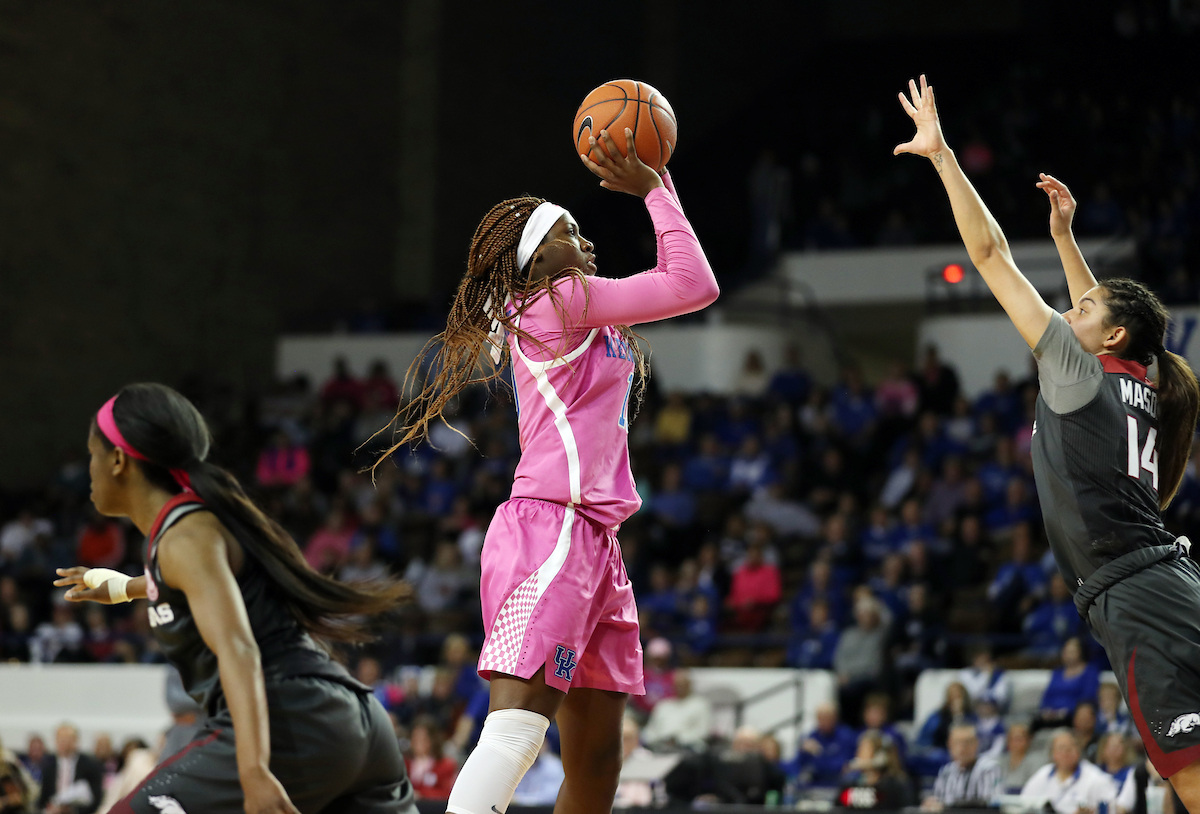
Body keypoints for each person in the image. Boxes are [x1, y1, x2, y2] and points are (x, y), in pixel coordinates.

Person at [374, 126, 718, 814]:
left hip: (595, 543)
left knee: (595, 763)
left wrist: (662, 183)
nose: (586, 241)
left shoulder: (571, 308)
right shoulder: (558, 301)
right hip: (551, 531)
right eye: (569, 231)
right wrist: (657, 189)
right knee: (514, 733)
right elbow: (694, 284)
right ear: (536, 258)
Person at [896, 74, 1200, 805]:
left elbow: (992, 254)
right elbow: (1114, 322)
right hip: (1172, 584)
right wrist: (1065, 239)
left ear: (1109, 335)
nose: (1070, 309)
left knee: (1187, 778)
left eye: (1083, 307)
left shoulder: (1079, 367)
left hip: (1135, 595)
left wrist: (943, 158)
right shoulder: (1148, 382)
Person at [53, 384, 415, 814]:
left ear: (116, 460)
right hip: (356, 721)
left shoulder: (184, 537)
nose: (88, 467)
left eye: (92, 454)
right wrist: (120, 586)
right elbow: (179, 583)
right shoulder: (196, 527)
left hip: (292, 722)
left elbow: (238, 648)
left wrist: (254, 771)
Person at [1020, 730, 1117, 814]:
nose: (1066, 752)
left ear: (1078, 750)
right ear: (1052, 753)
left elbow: (1112, 810)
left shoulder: (1097, 779)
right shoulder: (1043, 774)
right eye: (1061, 748)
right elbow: (1022, 804)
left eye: (1070, 748)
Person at [921, 723, 1002, 811]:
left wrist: (947, 807)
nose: (962, 748)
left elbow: (989, 802)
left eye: (967, 742)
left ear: (976, 744)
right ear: (949, 745)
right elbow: (938, 799)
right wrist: (931, 803)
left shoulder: (988, 768)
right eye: (957, 742)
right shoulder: (946, 771)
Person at [836, 731, 914, 810]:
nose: (858, 753)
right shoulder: (850, 784)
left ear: (880, 755)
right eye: (859, 748)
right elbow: (837, 809)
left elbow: (907, 809)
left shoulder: (896, 785)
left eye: (864, 749)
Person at [37, 724, 103, 814]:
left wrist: (72, 811)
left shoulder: (90, 765)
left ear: (75, 741)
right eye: (59, 739)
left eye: (66, 739)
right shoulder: (49, 766)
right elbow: (43, 799)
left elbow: (96, 799)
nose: (62, 743)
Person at [1037, 638, 1100, 729]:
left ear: (1081, 652)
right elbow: (1047, 696)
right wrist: (1046, 710)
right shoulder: (1057, 672)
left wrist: (1066, 711)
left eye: (1072, 651)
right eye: (1066, 651)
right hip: (1051, 718)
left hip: (1072, 716)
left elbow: (1088, 697)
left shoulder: (1090, 671)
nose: (1068, 655)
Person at [641, 671, 713, 751]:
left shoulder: (700, 705)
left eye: (683, 685)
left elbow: (703, 732)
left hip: (688, 749)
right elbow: (650, 730)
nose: (679, 688)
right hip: (660, 747)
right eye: (677, 685)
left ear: (689, 685)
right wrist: (658, 739)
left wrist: (678, 739)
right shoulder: (663, 705)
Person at [798, 702, 859, 788]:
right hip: (816, 783)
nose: (824, 721)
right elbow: (800, 764)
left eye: (827, 717)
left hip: (838, 782)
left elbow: (841, 765)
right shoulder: (812, 736)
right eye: (820, 718)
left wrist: (819, 753)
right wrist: (802, 752)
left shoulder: (845, 735)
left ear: (835, 718)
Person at [405, 718, 458, 801]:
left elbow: (447, 793)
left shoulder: (445, 765)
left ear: (432, 740)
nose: (418, 742)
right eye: (415, 738)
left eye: (423, 739)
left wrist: (422, 794)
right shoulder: (405, 764)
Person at [999, 722, 1044, 795]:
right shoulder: (1000, 761)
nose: (1016, 742)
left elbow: (1035, 788)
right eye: (1013, 739)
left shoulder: (1036, 761)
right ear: (1007, 741)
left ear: (1028, 740)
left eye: (1019, 738)